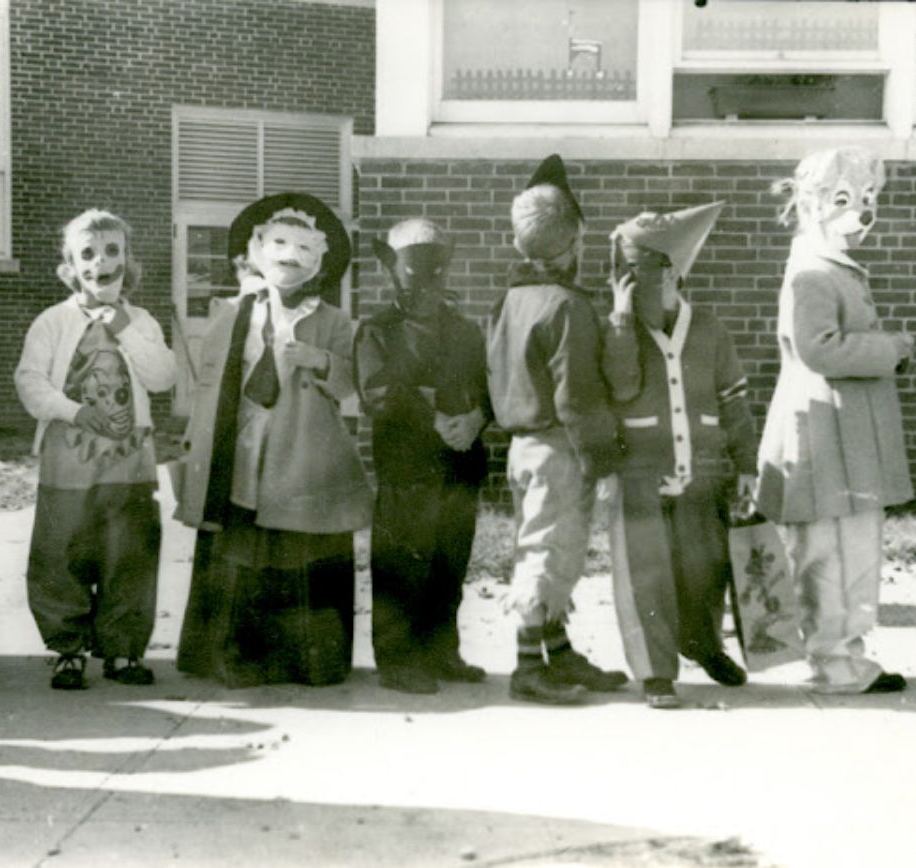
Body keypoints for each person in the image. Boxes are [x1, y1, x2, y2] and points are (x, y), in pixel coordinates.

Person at [175, 192, 373, 688]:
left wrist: (321, 361)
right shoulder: (235, 312)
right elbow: (210, 382)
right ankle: (233, 654)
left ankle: (304, 658)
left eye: (303, 248)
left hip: (303, 449)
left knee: (297, 551)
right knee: (242, 549)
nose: (289, 256)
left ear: (320, 261)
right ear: (258, 250)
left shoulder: (334, 321)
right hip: (245, 443)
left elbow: (353, 385)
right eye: (279, 244)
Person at [757, 147, 913, 695]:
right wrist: (890, 347)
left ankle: (847, 656)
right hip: (822, 438)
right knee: (827, 553)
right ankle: (834, 660)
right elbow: (819, 350)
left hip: (840, 439)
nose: (863, 213)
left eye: (868, 199)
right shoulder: (812, 275)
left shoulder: (828, 267)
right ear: (815, 204)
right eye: (846, 200)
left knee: (852, 553)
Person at [487, 154, 634, 705]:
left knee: (542, 548)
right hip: (557, 448)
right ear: (572, 243)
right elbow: (578, 398)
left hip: (522, 447)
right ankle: (528, 666)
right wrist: (603, 462)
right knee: (550, 555)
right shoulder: (569, 306)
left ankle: (559, 648)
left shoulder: (510, 300)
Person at [603, 202, 758, 709]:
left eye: (643, 273)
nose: (632, 284)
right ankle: (655, 672)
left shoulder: (709, 329)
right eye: (624, 274)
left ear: (672, 274)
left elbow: (735, 405)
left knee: (704, 567)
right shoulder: (617, 329)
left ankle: (704, 643)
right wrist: (622, 323)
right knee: (645, 573)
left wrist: (747, 465)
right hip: (639, 474)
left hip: (705, 471)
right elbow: (622, 388)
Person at [15, 209, 177, 690]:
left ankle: (124, 648)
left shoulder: (142, 321)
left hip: (129, 460)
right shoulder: (52, 322)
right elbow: (29, 380)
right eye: (87, 254)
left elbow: (163, 376)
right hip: (70, 457)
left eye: (112, 251)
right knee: (62, 549)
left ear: (128, 261)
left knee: (129, 551)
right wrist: (71, 410)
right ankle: (67, 649)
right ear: (69, 266)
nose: (100, 263)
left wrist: (124, 325)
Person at [355, 218, 490, 695]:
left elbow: (489, 387)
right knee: (402, 566)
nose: (426, 280)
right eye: (415, 269)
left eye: (436, 268)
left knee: (448, 564)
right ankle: (397, 659)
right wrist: (433, 417)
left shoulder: (466, 331)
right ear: (393, 271)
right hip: (406, 467)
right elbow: (379, 392)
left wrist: (476, 419)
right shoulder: (378, 330)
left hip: (459, 464)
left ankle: (440, 651)